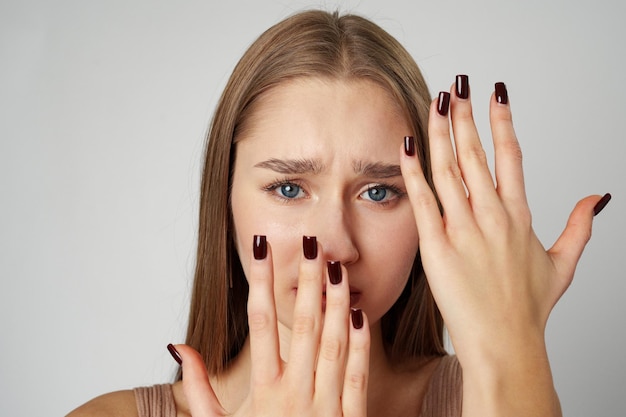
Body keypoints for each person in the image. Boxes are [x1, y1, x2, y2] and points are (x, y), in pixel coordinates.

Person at [67, 9, 611, 417]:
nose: (335, 244)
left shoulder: (501, 391)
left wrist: (512, 344)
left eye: (378, 192)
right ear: (224, 199)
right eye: (287, 188)